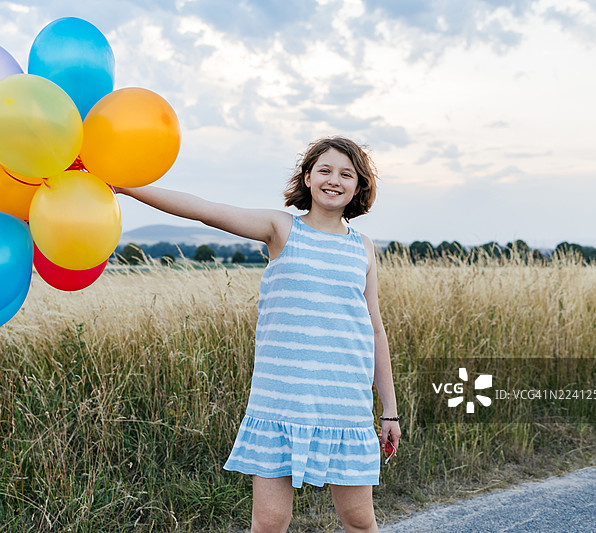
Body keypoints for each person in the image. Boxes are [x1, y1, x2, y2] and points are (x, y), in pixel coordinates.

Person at [114, 136, 400, 533]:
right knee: (268, 523)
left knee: (359, 521)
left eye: (346, 174)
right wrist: (125, 185)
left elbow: (375, 328)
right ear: (308, 177)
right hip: (279, 401)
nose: (334, 180)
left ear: (358, 186)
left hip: (344, 403)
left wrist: (389, 409)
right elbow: (206, 211)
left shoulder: (363, 248)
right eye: (325, 170)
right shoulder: (281, 229)